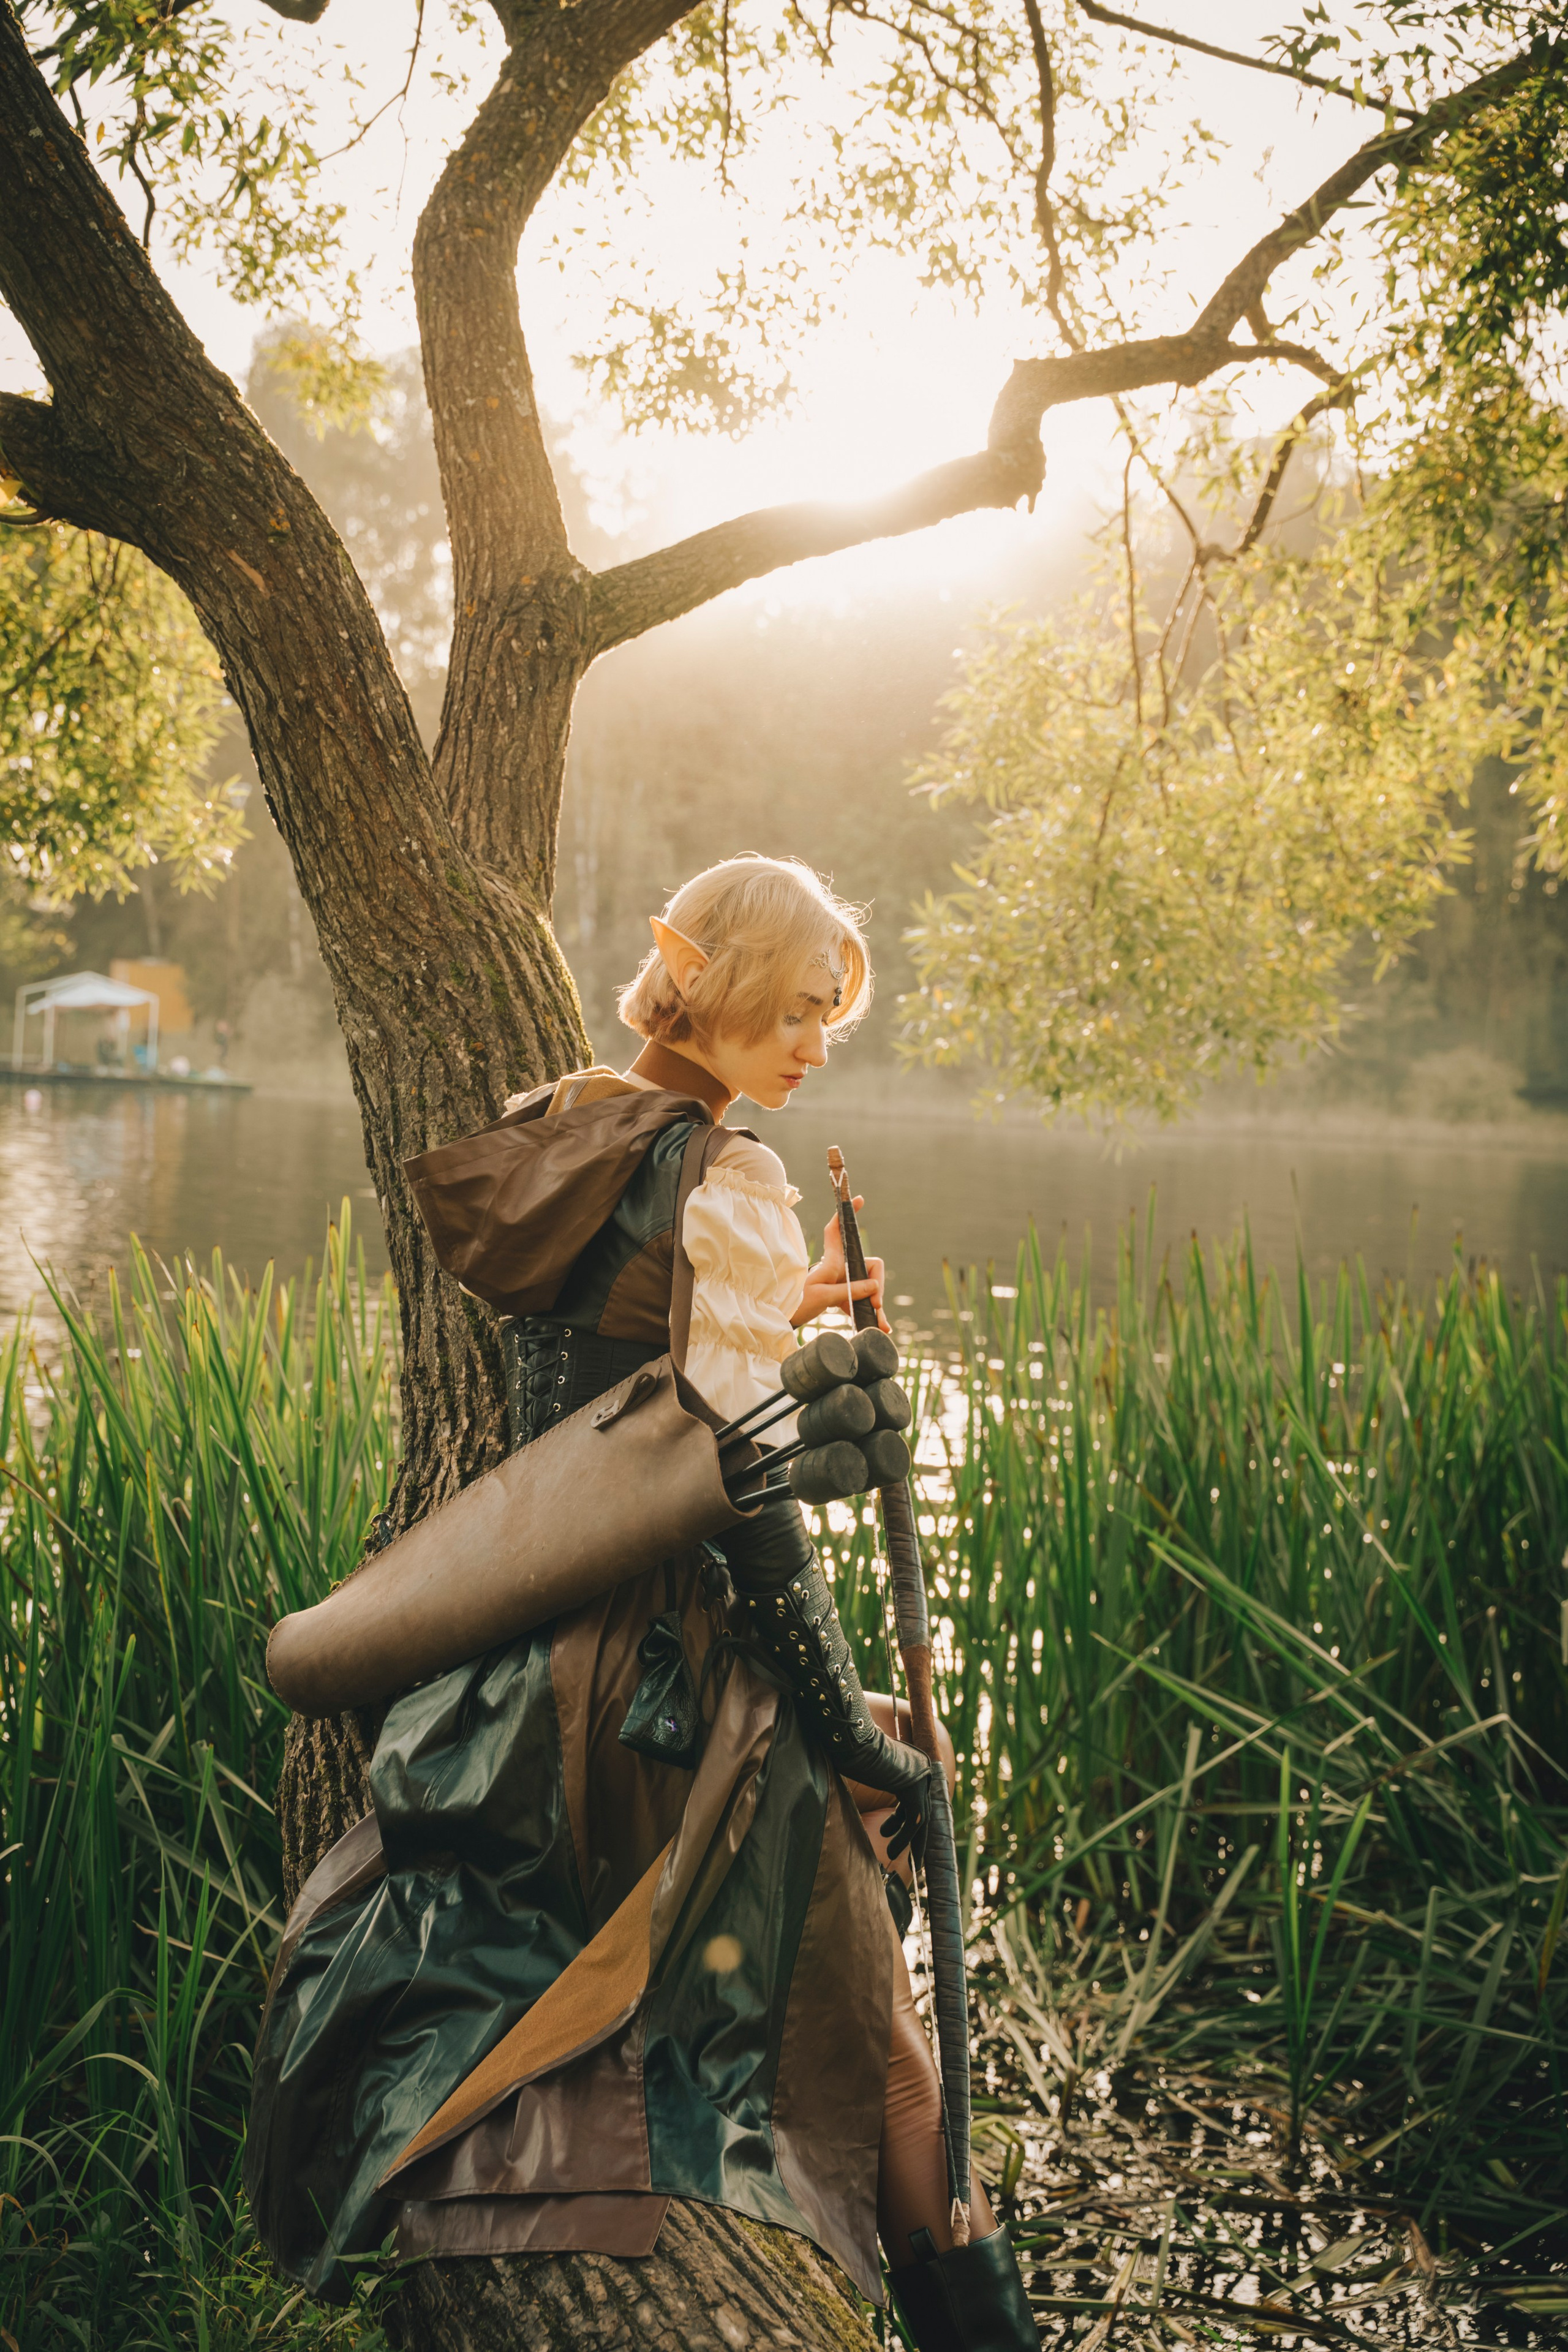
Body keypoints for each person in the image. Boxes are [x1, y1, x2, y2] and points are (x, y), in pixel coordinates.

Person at [246, 856, 1035, 2350]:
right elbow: (741, 1505)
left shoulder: (568, 1121)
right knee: (894, 2058)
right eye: (796, 1009)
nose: (814, 1046)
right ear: (716, 984)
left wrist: (771, 1309)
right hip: (665, 1680)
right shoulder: (729, 1176)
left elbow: (624, 1366)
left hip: (521, 1649)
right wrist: (848, 1736)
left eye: (829, 1018)